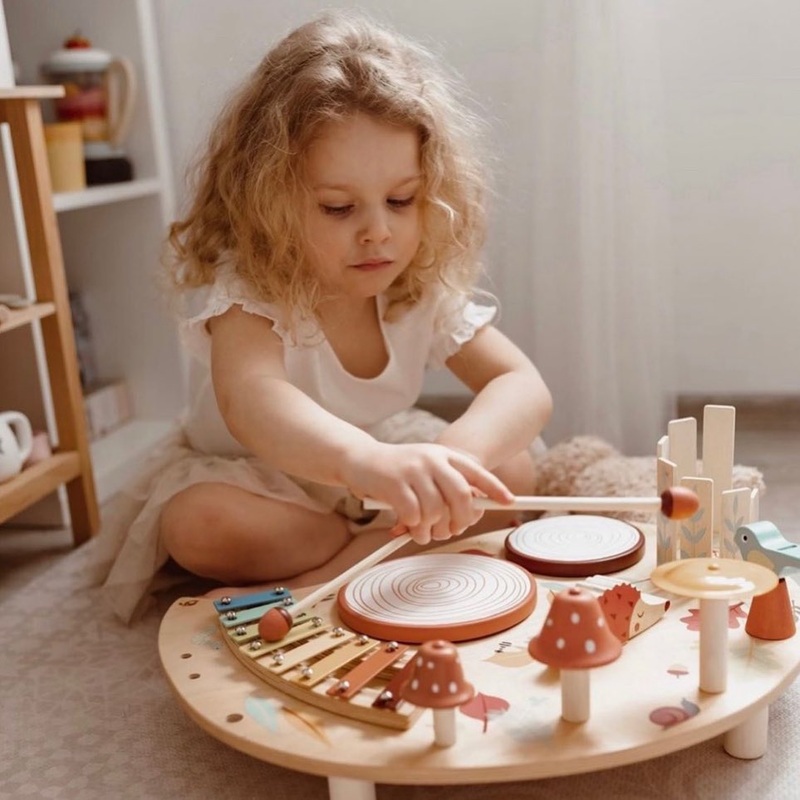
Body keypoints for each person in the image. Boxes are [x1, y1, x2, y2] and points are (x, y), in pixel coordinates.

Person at [94, 10, 552, 622]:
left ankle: (325, 578)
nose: (377, 232)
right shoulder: (253, 289)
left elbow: (520, 384)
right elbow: (253, 401)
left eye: (400, 200)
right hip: (259, 479)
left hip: (376, 474)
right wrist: (364, 465)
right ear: (269, 204)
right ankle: (365, 556)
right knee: (199, 525)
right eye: (338, 208)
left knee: (514, 468)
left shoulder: (415, 288)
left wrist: (455, 457)